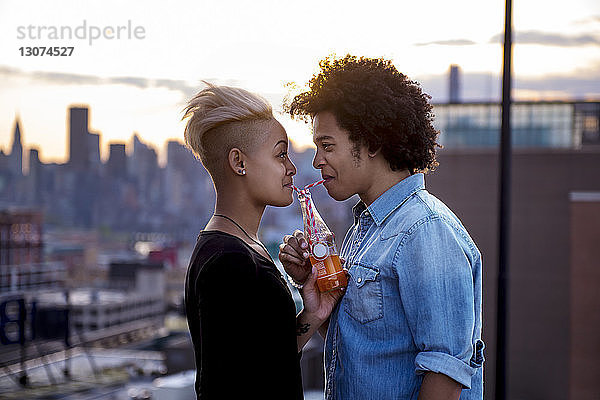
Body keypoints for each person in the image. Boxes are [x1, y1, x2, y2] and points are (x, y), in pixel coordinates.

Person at [278, 55, 484, 400]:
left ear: (372, 143)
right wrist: (314, 288)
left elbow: (445, 376)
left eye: (327, 145)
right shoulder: (366, 229)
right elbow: (361, 346)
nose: (316, 161)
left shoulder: (425, 231)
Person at [182, 84, 343, 399]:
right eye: (281, 154)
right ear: (238, 162)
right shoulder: (229, 261)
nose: (292, 168)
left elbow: (265, 362)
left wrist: (314, 313)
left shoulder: (241, 246)